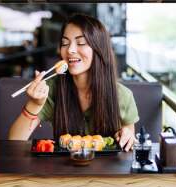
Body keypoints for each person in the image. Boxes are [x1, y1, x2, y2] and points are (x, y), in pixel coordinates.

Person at [8, 14, 139, 151]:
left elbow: (128, 140)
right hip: (63, 169)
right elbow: (14, 141)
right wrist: (34, 104)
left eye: (81, 43)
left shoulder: (122, 95)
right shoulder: (51, 88)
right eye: (65, 43)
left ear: (99, 49)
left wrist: (126, 136)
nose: (70, 50)